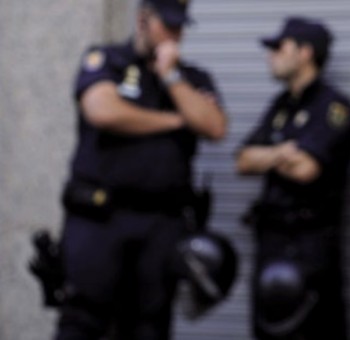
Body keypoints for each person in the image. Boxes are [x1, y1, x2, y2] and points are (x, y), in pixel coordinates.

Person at [56, 0, 227, 338]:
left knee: (150, 326)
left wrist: (172, 77)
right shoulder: (106, 61)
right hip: (101, 220)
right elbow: (103, 111)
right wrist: (177, 120)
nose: (174, 36)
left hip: (161, 225)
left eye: (180, 28)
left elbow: (214, 126)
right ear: (143, 20)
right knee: (83, 322)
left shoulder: (192, 78)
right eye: (168, 26)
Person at [236, 17, 350, 340]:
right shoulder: (280, 107)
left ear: (305, 53)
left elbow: (306, 169)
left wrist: (268, 155)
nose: (270, 55)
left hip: (310, 246)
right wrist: (282, 153)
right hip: (271, 239)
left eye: (279, 47)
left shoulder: (332, 107)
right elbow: (243, 160)